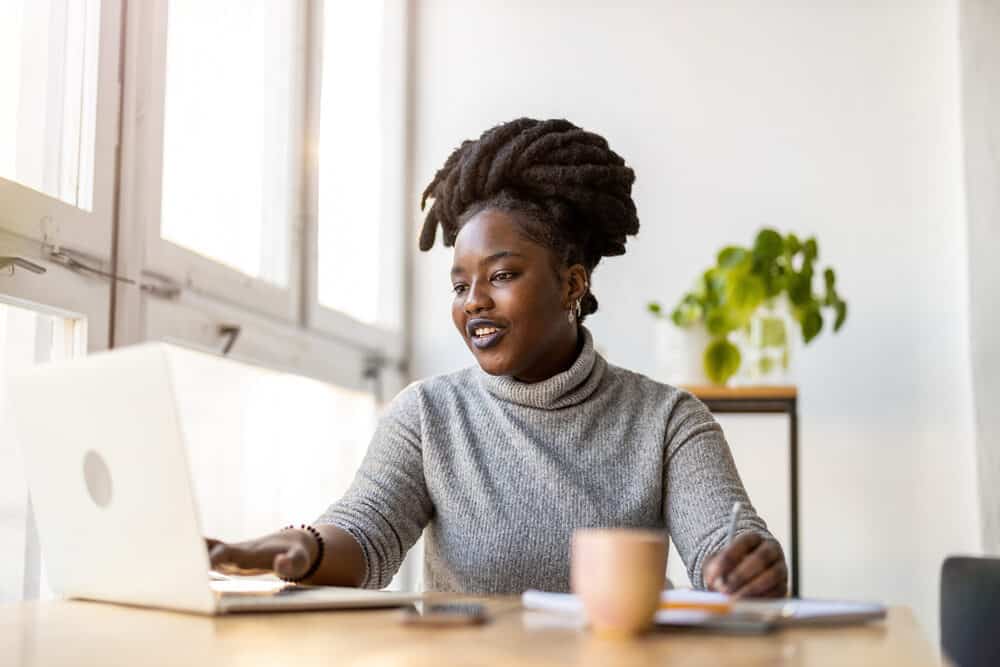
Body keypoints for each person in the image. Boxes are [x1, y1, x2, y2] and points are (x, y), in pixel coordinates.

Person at [207, 118, 788, 598]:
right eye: (460, 286)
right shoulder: (429, 416)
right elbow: (364, 535)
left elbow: (726, 544)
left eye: (502, 275)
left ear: (572, 285)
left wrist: (748, 568)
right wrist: (303, 547)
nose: (474, 303)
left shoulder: (667, 421)